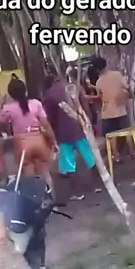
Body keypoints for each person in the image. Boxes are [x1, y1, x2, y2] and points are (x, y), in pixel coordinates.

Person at [0, 77, 57, 190]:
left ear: (10, 94)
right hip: (39, 141)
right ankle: (51, 196)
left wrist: (1, 103)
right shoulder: (36, 104)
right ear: (25, 90)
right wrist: (53, 141)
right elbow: (46, 125)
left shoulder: (8, 108)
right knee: (45, 174)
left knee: (30, 177)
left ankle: (36, 198)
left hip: (22, 145)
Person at [42, 72, 96, 200]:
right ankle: (97, 186)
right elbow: (84, 106)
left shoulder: (48, 96)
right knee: (90, 157)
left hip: (63, 133)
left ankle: (77, 193)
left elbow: (51, 119)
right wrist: (88, 122)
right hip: (80, 127)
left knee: (69, 163)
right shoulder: (71, 87)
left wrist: (53, 135)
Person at [91, 56, 132, 162]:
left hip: (108, 113)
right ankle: (132, 152)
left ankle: (116, 156)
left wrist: (88, 97)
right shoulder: (117, 75)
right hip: (121, 110)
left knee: (111, 136)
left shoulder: (99, 82)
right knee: (128, 132)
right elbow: (127, 87)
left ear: (97, 69)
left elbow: (100, 97)